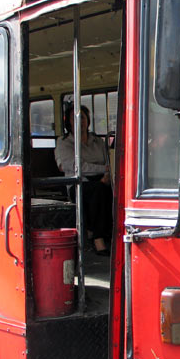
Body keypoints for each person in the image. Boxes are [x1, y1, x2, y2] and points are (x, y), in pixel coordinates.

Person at [55, 105, 113, 256]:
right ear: (69, 122)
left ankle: (111, 232)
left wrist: (108, 174)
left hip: (103, 179)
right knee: (98, 191)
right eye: (75, 118)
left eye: (83, 118)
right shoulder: (64, 142)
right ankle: (98, 239)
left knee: (110, 189)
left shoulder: (97, 141)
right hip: (79, 183)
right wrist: (103, 170)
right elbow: (72, 166)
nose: (79, 122)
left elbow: (108, 160)